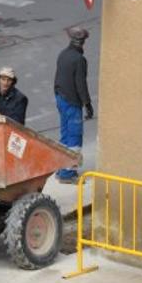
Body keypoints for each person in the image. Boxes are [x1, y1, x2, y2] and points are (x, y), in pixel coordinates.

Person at [54, 27, 93, 184]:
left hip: (61, 98)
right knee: (75, 137)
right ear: (83, 42)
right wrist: (87, 104)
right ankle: (68, 174)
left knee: (65, 135)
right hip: (72, 102)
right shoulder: (79, 60)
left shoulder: (63, 54)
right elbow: (80, 84)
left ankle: (61, 167)